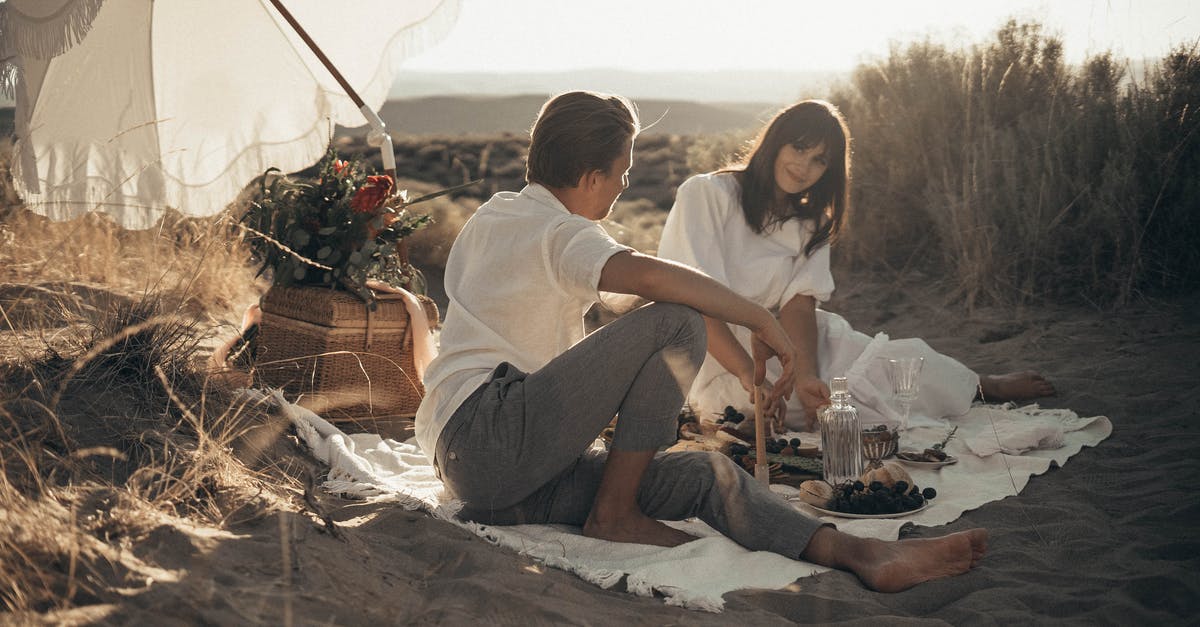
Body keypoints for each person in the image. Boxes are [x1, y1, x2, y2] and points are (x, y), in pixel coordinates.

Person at [414, 90, 986, 592]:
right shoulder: (558, 231)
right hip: (489, 434)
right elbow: (654, 282)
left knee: (699, 472)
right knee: (677, 321)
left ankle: (860, 553)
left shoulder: (495, 216)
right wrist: (760, 322)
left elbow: (612, 314)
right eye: (622, 173)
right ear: (591, 179)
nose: (625, 185)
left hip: (501, 480)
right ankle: (614, 514)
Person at [657, 99, 1056, 431]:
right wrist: (750, 373)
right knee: (762, 412)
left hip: (790, 344)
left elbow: (798, 306)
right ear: (775, 142)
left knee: (881, 372)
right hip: (714, 348)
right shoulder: (708, 193)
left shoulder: (810, 221)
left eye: (819, 161)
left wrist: (806, 373)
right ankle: (764, 398)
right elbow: (694, 298)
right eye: (798, 148)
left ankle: (979, 385)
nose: (804, 167)